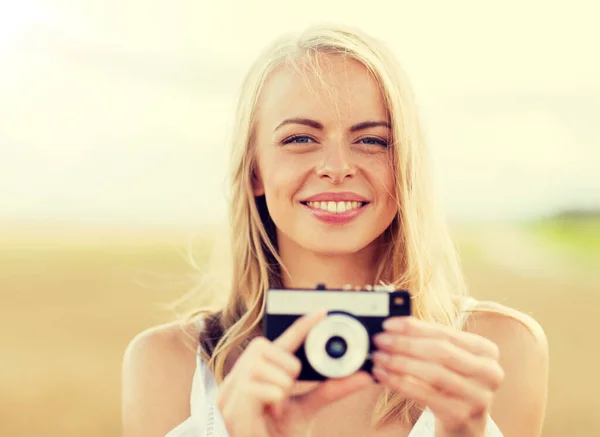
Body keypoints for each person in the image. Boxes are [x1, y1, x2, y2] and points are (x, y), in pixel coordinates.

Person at [121, 23, 549, 437]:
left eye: (372, 141)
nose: (337, 168)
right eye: (300, 139)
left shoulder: (498, 350)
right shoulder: (166, 365)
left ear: (404, 168)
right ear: (254, 171)